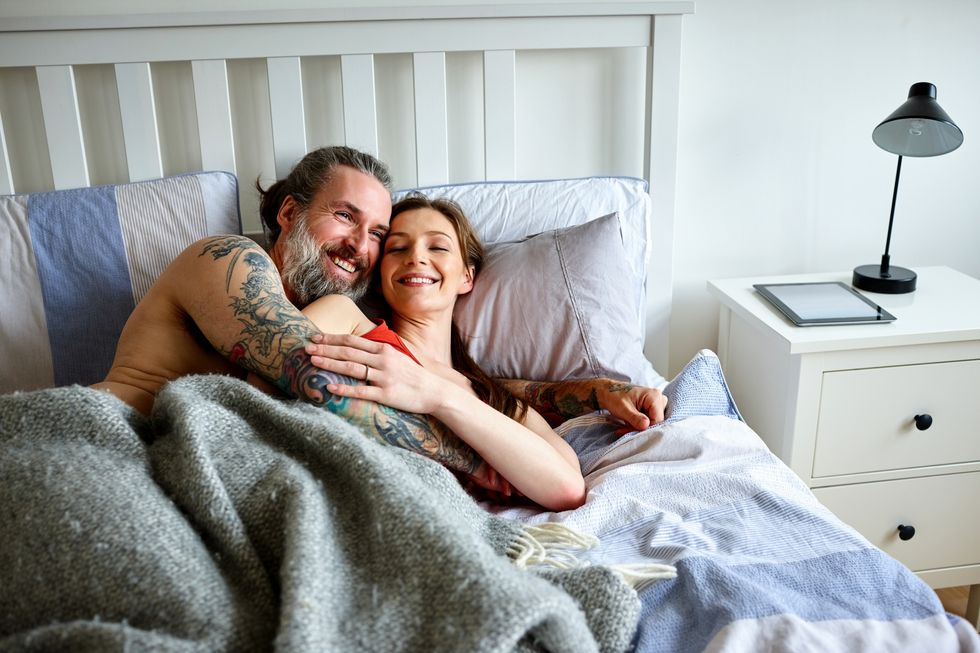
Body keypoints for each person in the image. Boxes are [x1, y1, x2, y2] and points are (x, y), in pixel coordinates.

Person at [92, 145, 665, 485]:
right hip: (112, 444)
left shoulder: (333, 313)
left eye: (375, 234)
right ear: (289, 212)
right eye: (344, 217)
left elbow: (452, 380)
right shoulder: (228, 259)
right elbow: (317, 379)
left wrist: (590, 393)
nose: (358, 246)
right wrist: (508, 465)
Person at [265, 194, 585, 510]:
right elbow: (258, 398)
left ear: (466, 276)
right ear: (379, 280)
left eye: (438, 246)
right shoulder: (346, 321)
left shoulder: (500, 402)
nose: (416, 257)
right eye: (398, 248)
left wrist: (435, 394)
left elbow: (568, 488)